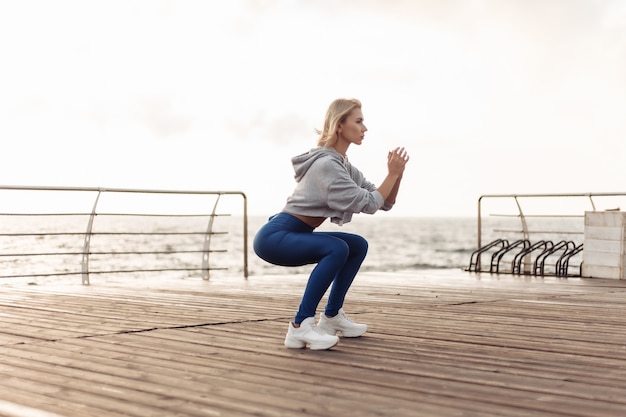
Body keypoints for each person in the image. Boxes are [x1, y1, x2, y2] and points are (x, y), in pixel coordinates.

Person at [253, 98, 409, 350]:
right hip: (275, 237)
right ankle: (299, 326)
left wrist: (396, 174)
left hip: (294, 232)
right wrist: (390, 175)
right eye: (358, 121)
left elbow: (383, 202)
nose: (364, 128)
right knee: (336, 248)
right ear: (340, 125)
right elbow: (369, 203)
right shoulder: (327, 166)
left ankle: (331, 317)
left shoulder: (344, 165)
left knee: (356, 245)